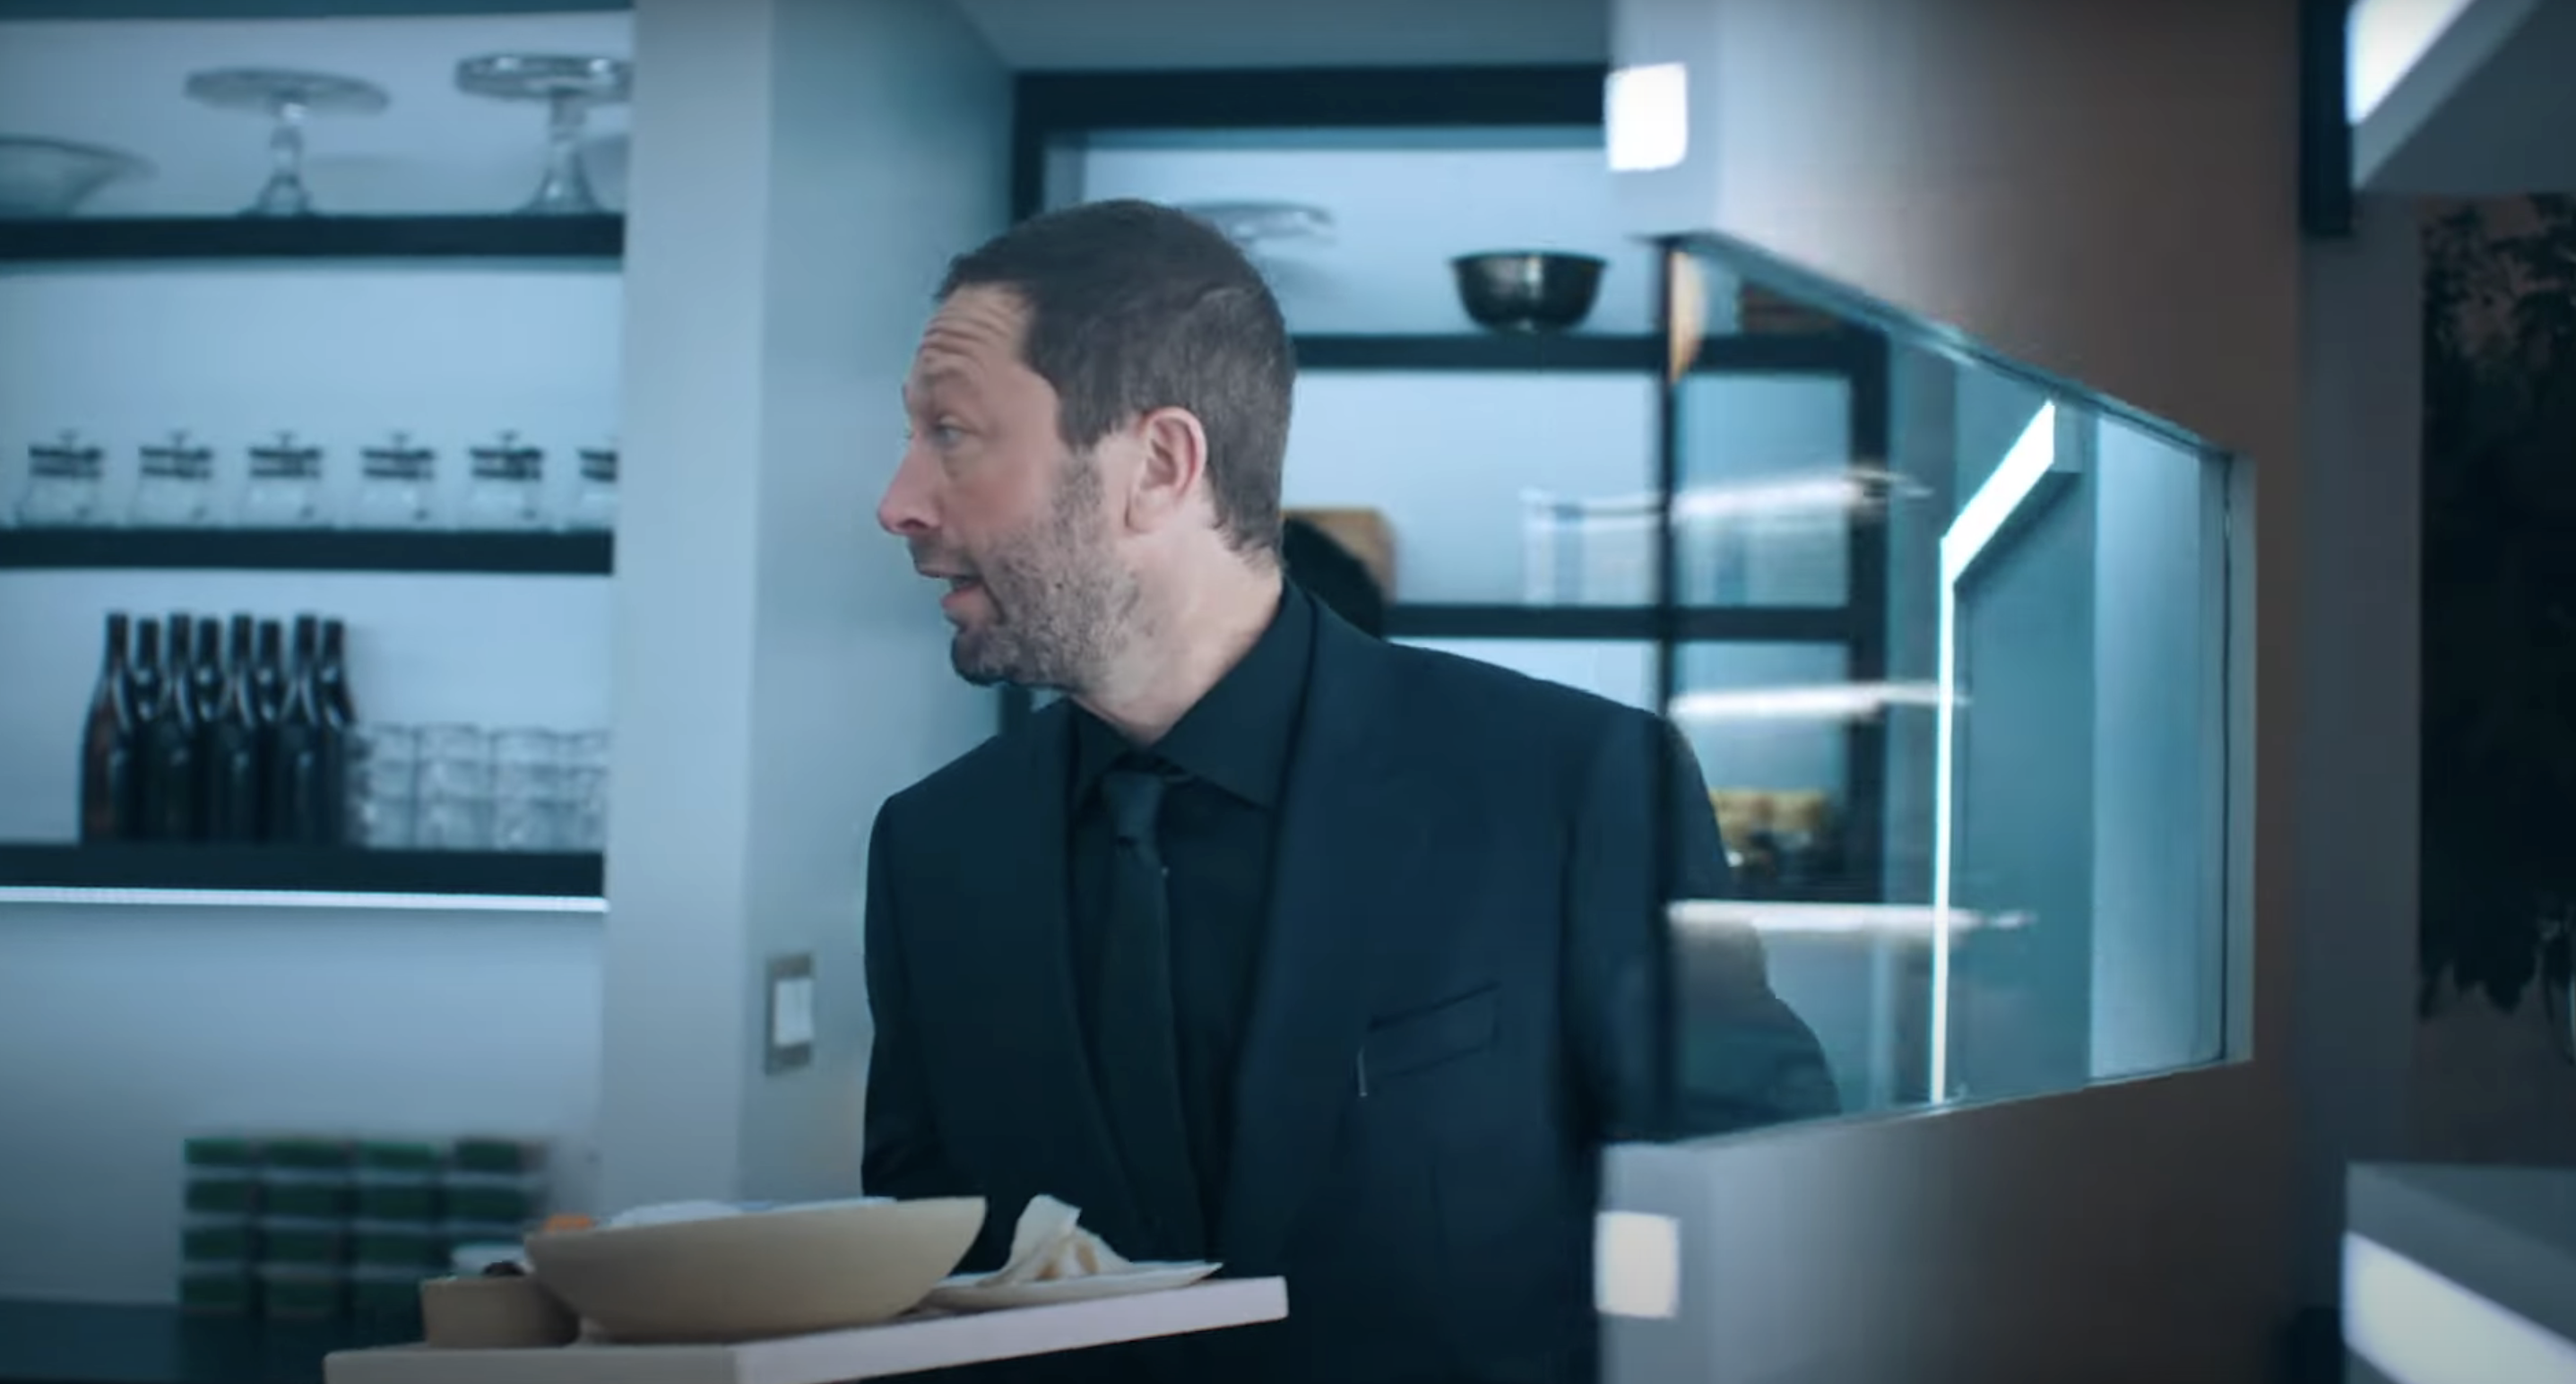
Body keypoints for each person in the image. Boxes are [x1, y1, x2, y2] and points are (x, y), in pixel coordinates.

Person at [862, 198, 1836, 1384]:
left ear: (1158, 466)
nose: (899, 500)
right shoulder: (931, 852)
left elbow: (1763, 1248)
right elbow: (923, 1275)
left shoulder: (1573, 789)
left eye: (952, 433)